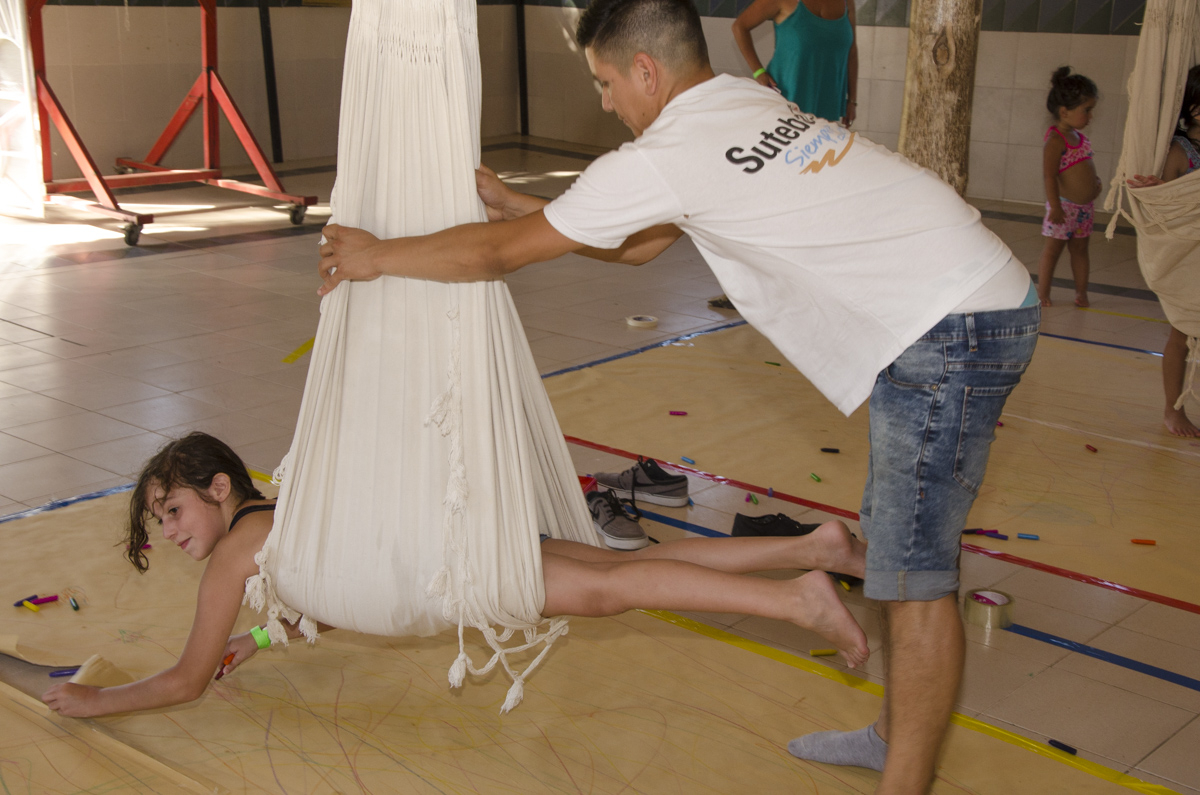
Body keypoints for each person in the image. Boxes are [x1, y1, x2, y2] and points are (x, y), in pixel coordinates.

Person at [314, 0, 1040, 790]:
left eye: (605, 83)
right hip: (969, 297)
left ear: (646, 71)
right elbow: (644, 245)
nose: (604, 102)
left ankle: (904, 775)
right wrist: (529, 207)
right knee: (903, 557)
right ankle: (893, 738)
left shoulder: (664, 151)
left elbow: (496, 256)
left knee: (917, 580)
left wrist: (376, 256)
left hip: (949, 327)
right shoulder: (737, 100)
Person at [41, 432, 869, 718]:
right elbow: (343, 596)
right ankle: (813, 547)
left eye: (172, 510)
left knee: (617, 587)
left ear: (219, 488)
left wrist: (96, 698)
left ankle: (796, 599)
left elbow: (185, 680)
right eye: (160, 523)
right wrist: (258, 640)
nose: (170, 532)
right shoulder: (279, 516)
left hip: (458, 564)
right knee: (634, 568)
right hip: (459, 536)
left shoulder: (234, 555)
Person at [1127, 64, 1200, 437]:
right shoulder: (1180, 150)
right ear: (1196, 110)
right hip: (1189, 260)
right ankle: (1173, 410)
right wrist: (1160, 190)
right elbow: (1166, 201)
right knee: (1181, 335)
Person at [731, 0, 856, 126]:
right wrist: (758, 71)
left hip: (828, 106)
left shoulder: (847, 3)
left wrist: (852, 101)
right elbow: (739, 27)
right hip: (785, 101)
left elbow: (852, 51)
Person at [1037, 66, 1100, 308]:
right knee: (1053, 251)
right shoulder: (1056, 141)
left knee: (1081, 250)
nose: (1090, 116)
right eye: (1086, 110)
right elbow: (1049, 176)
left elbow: (1083, 169)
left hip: (1084, 209)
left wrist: (1095, 186)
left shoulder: (1080, 137)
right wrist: (1055, 206)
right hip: (1063, 209)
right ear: (1064, 112)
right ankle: (1043, 293)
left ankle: (1081, 293)